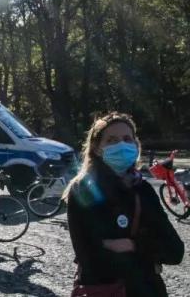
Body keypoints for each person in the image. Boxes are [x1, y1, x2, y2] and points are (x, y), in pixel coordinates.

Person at [65, 112, 183, 296]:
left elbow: (175, 251)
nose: (121, 145)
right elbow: (92, 261)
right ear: (97, 148)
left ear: (136, 145)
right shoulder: (83, 191)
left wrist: (132, 245)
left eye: (127, 138)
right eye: (112, 140)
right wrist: (150, 257)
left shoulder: (143, 189)